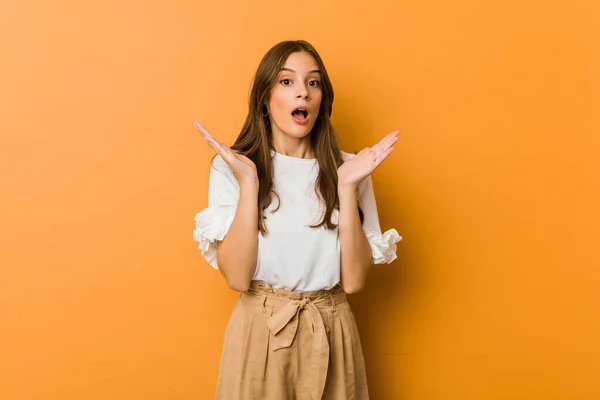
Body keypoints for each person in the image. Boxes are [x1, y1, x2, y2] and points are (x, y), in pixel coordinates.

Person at [193, 40, 402, 400]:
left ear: (322, 98)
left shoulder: (351, 169)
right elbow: (238, 277)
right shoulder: (236, 168)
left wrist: (348, 185)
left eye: (313, 82)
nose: (302, 92)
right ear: (264, 97)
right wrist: (249, 183)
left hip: (332, 326)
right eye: (287, 82)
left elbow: (353, 281)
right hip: (260, 328)